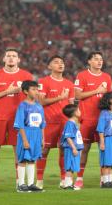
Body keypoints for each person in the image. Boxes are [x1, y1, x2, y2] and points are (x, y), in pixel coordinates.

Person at [0, 48, 33, 191]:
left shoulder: (26, 75)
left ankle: (19, 182)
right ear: (3, 59)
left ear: (18, 60)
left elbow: (34, 98)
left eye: (14, 56)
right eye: (8, 55)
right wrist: (7, 92)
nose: (11, 58)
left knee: (18, 150)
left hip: (19, 119)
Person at [74, 51, 112, 188]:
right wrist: (96, 91)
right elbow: (77, 95)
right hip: (87, 118)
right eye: (96, 59)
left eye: (101, 59)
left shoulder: (107, 77)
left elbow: (109, 98)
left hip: (103, 119)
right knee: (84, 149)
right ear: (89, 61)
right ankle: (79, 178)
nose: (99, 61)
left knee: (104, 149)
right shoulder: (82, 75)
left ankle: (104, 178)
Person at [36, 55, 75, 189]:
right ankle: (39, 180)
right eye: (56, 62)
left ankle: (63, 179)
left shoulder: (69, 84)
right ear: (49, 66)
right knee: (44, 150)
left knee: (64, 150)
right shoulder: (43, 81)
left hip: (65, 123)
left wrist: (74, 121)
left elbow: (71, 106)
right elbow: (41, 101)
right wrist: (60, 97)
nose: (60, 64)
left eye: (62, 62)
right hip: (48, 122)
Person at [13, 80, 45, 193]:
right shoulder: (23, 106)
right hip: (26, 134)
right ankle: (21, 184)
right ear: (26, 91)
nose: (36, 92)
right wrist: (25, 140)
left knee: (32, 159)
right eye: (33, 89)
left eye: (37, 89)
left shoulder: (39, 106)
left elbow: (42, 124)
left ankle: (31, 183)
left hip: (37, 134)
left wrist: (42, 139)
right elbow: (20, 124)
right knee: (23, 158)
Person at [97, 91, 112, 188]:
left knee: (111, 161)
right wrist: (102, 142)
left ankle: (110, 181)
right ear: (110, 100)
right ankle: (105, 182)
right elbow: (100, 129)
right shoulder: (104, 113)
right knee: (106, 161)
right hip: (107, 139)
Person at [60, 104, 84, 190]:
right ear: (74, 113)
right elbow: (68, 137)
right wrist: (73, 148)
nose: (80, 111)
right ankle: (67, 184)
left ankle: (69, 184)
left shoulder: (73, 123)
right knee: (69, 167)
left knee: (72, 166)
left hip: (74, 148)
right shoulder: (70, 124)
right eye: (78, 110)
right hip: (71, 149)